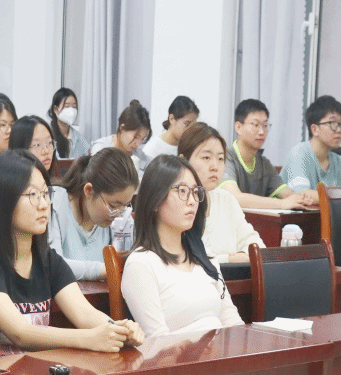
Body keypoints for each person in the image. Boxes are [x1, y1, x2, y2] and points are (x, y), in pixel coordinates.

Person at [0, 150, 143, 361]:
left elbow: (85, 314)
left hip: (29, 374)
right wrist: (90, 338)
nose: (43, 205)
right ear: (3, 201)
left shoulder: (48, 260)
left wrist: (119, 330)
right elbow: (21, 333)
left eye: (45, 193)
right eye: (32, 195)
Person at [121, 154, 244, 338]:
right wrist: (207, 331)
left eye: (195, 192)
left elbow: (231, 319)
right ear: (155, 200)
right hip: (175, 355)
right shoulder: (141, 264)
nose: (192, 201)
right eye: (182, 191)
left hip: (218, 353)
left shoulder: (204, 255)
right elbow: (158, 340)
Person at [178, 122, 264, 263]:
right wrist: (229, 259)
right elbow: (181, 259)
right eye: (206, 158)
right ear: (183, 161)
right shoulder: (174, 202)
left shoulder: (226, 199)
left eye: (220, 158)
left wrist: (240, 257)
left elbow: (255, 244)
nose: (215, 167)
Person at [49, 148, 138, 280]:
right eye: (113, 205)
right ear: (89, 190)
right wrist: (107, 270)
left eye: (125, 206)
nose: (118, 215)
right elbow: (54, 265)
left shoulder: (118, 221)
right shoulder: (55, 203)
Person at [222, 99, 314, 210]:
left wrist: (301, 200)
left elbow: (288, 195)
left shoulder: (264, 164)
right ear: (238, 127)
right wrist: (282, 204)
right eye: (255, 125)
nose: (262, 132)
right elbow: (234, 198)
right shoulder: (224, 157)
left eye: (265, 125)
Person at [281, 95, 341, 204]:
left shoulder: (337, 161)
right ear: (315, 129)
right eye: (332, 123)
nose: (339, 130)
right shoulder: (299, 153)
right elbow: (302, 195)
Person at [90, 99, 152, 172]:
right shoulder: (100, 150)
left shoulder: (138, 155)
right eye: (136, 137)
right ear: (122, 128)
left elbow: (153, 165)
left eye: (142, 139)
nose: (138, 144)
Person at [140, 95, 199, 166]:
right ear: (171, 119)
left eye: (193, 126)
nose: (190, 130)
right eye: (186, 124)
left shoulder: (190, 147)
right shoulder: (152, 150)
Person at [47, 87, 89, 159]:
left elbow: (87, 155)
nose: (71, 111)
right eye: (67, 106)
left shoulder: (78, 136)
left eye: (74, 107)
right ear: (56, 109)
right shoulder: (48, 134)